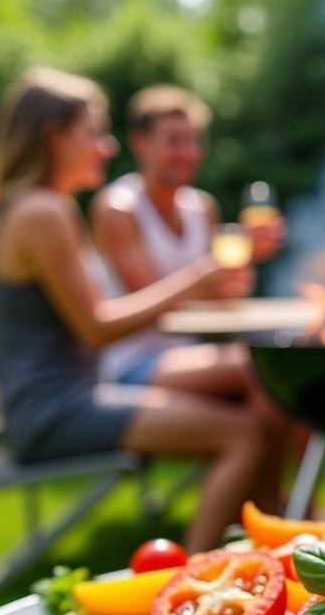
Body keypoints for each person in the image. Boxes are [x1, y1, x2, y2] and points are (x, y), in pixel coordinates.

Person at [0, 68, 278, 551]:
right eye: (93, 133)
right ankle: (192, 588)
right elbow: (97, 329)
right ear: (55, 139)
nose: (107, 147)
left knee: (251, 415)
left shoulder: (40, 208)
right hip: (56, 411)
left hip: (71, 398)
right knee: (244, 435)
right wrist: (196, 277)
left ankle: (271, 540)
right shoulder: (44, 214)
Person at [89, 84, 285, 393]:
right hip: (128, 367)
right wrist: (206, 275)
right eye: (174, 141)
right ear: (141, 143)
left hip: (185, 358)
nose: (188, 153)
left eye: (194, 141)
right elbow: (153, 309)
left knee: (275, 372)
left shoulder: (203, 208)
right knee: (261, 369)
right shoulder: (118, 209)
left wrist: (244, 260)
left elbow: (221, 299)